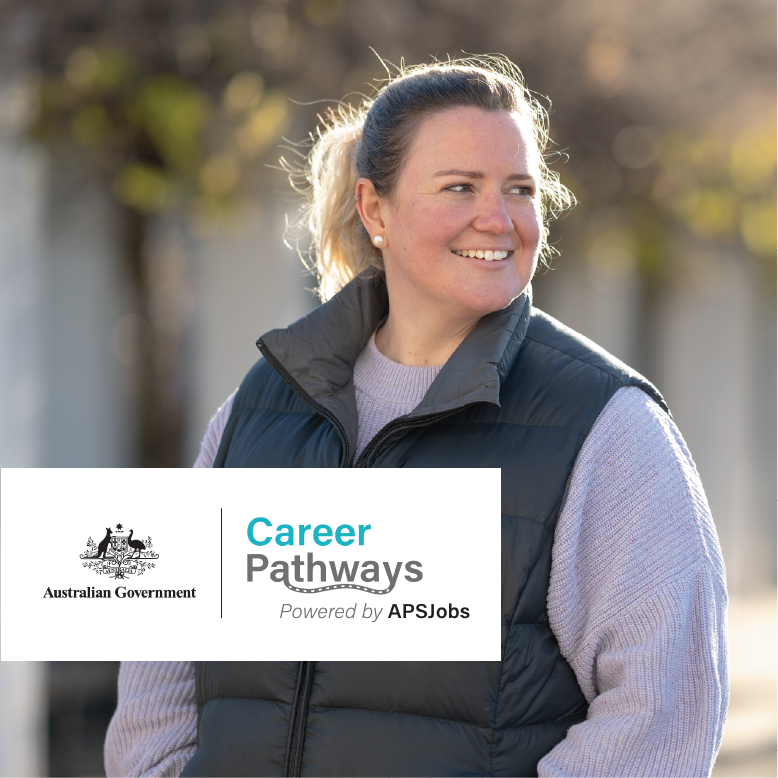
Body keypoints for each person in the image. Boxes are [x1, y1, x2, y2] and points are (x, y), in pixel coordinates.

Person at [105, 58, 728, 778]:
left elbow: (664, 713)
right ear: (376, 211)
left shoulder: (605, 427)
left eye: (519, 189)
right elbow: (160, 676)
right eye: (460, 187)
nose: (498, 219)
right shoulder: (264, 404)